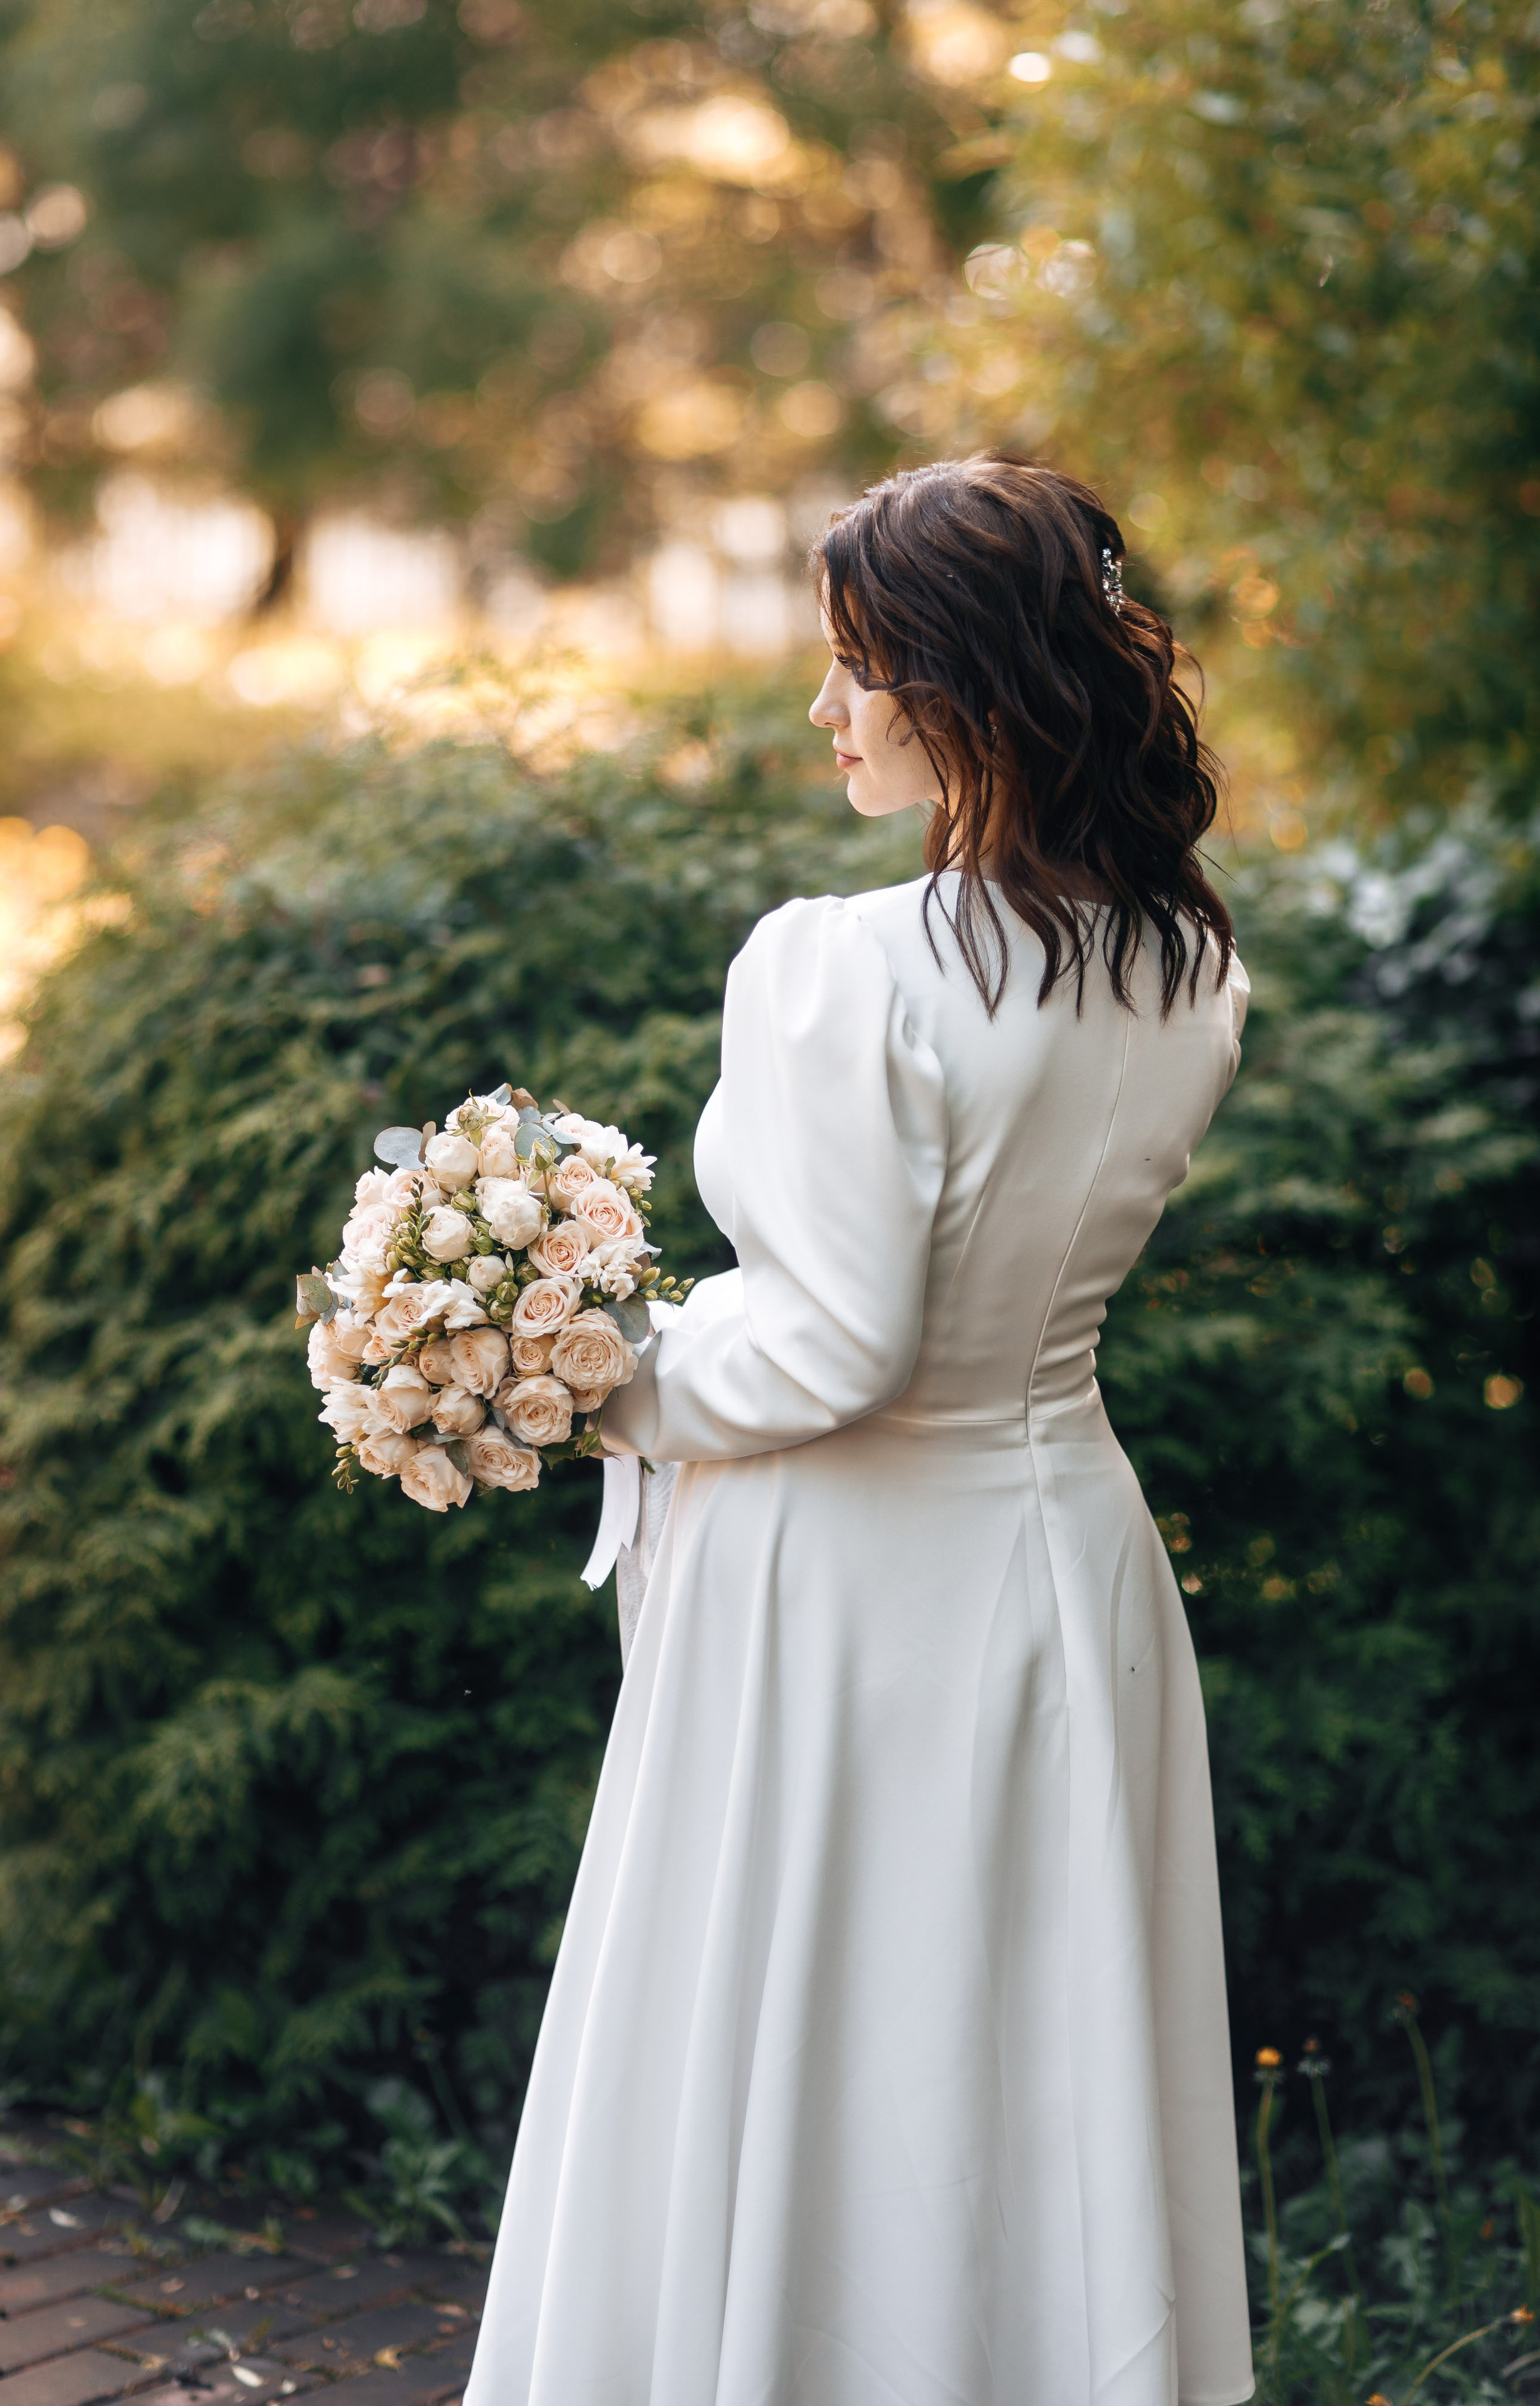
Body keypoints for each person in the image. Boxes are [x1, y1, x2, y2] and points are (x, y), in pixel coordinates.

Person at [465, 454, 1254, 2406]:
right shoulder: (1187, 969)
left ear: (966, 685)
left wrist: (573, 1373)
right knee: (1013, 2058)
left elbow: (828, 1353)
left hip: (845, 1589)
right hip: (1065, 1548)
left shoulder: (845, 965)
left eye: (855, 667)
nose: (827, 711)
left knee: (808, 2037)